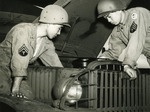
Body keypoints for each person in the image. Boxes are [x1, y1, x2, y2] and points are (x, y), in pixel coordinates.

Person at [0, 5, 70, 99]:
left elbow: (56, 64)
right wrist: (15, 89)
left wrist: (70, 79)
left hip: (16, 72)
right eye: (59, 28)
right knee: (3, 92)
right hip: (2, 67)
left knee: (28, 97)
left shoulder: (46, 43)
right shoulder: (23, 31)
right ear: (50, 23)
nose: (59, 33)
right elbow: (20, 61)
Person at [96, 0, 150, 80]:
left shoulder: (136, 14)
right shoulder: (118, 31)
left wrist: (128, 65)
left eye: (109, 16)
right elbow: (113, 51)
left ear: (118, 10)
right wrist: (99, 60)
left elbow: (136, 39)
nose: (108, 20)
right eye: (106, 18)